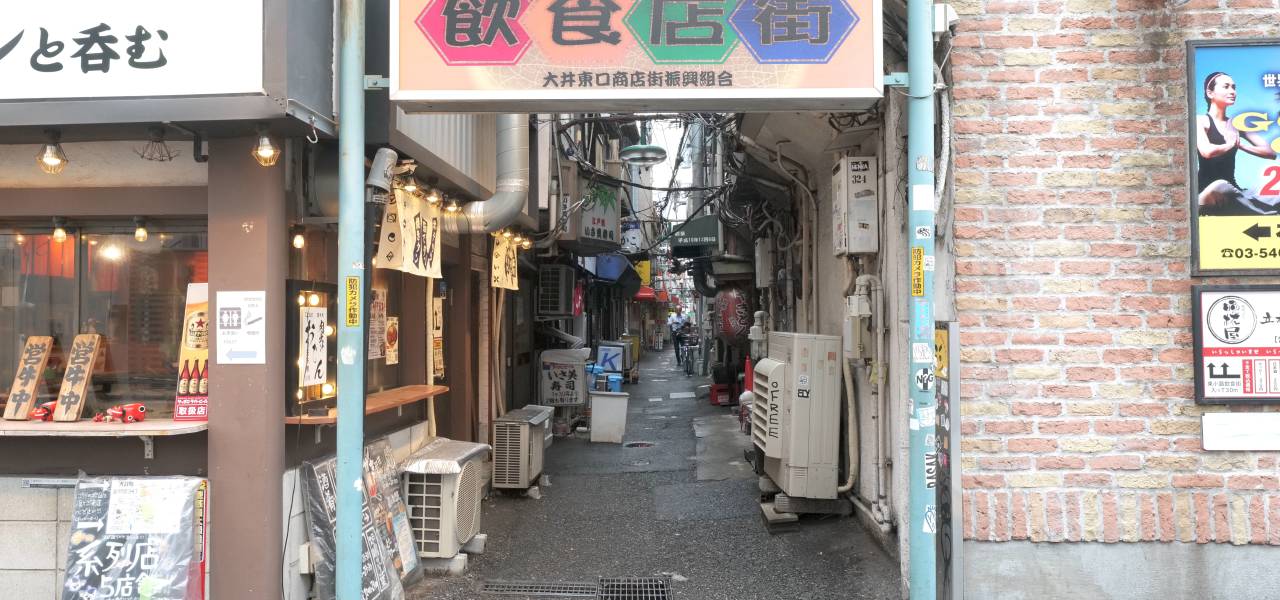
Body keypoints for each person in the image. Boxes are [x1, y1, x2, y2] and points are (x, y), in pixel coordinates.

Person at [1196, 71, 1280, 215]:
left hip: (1233, 191)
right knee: (1220, 186)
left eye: (1234, 87)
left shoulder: (1236, 124)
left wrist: (1241, 145)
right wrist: (1229, 145)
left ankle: (1256, 208)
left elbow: (1270, 152)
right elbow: (1206, 151)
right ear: (1210, 93)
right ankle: (1262, 211)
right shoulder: (1201, 121)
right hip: (1209, 191)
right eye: (1226, 87)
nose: (1232, 91)